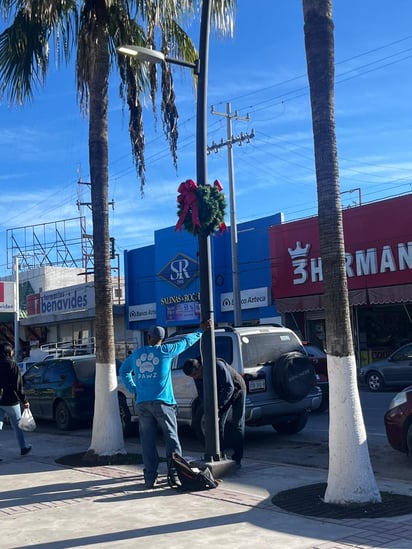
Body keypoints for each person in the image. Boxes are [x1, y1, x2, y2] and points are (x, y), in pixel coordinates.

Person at [119, 320, 212, 489]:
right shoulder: (166, 351)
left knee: (147, 441)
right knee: (172, 440)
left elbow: (123, 371)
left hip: (142, 403)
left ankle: (150, 478)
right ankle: (175, 475)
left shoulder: (137, 355)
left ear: (149, 338)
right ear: (163, 339)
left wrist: (134, 388)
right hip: (163, 402)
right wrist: (201, 330)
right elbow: (186, 342)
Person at [183, 356, 246, 467]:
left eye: (196, 375)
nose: (196, 378)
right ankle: (219, 453)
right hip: (221, 392)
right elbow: (202, 393)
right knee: (218, 423)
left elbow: (229, 387)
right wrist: (208, 409)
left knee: (238, 425)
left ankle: (238, 458)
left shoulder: (217, 365)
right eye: (192, 376)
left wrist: (219, 405)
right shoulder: (196, 375)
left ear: (200, 367)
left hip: (237, 389)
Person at [0, 341, 32, 459]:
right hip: (11, 401)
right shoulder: (13, 365)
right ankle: (23, 448)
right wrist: (25, 400)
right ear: (9, 352)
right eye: (12, 349)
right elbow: (18, 386)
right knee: (18, 425)